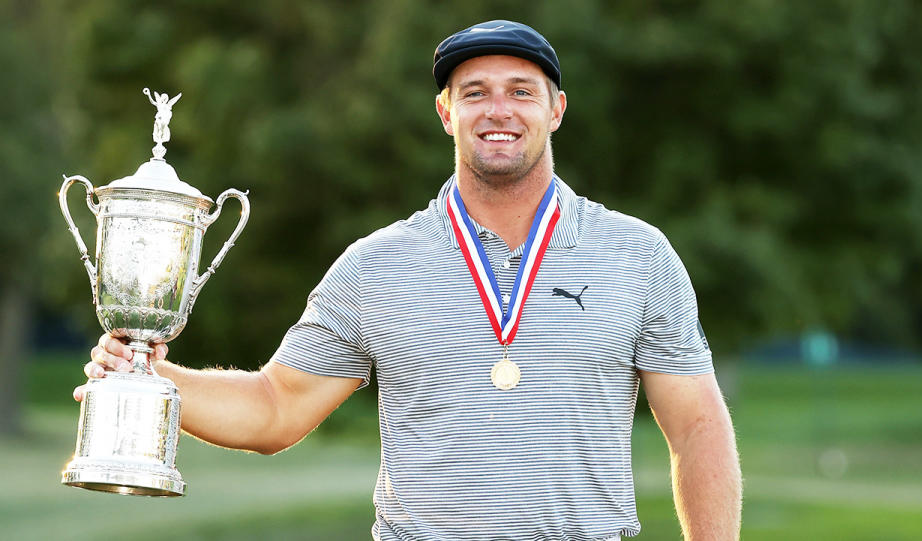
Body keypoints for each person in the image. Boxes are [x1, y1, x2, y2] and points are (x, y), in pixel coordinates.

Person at [79, 20, 742, 541]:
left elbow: (698, 426)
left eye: (521, 91)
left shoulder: (637, 255)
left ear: (557, 109)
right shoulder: (377, 264)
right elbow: (276, 406)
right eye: (474, 93)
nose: (498, 110)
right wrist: (152, 378)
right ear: (445, 112)